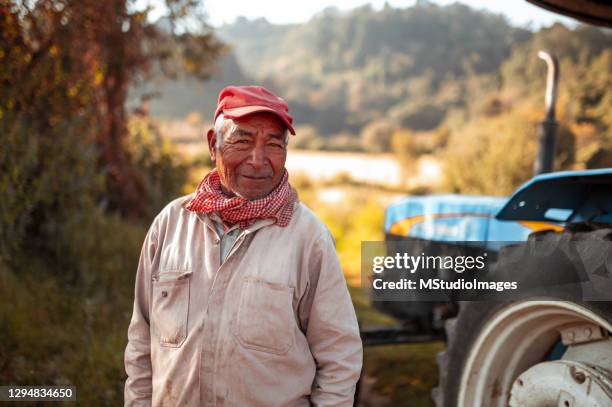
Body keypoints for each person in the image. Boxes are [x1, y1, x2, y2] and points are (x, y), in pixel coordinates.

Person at [124, 85, 363, 406]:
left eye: (273, 144)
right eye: (243, 140)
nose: (258, 159)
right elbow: (141, 342)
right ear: (213, 144)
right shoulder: (170, 224)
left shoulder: (309, 238)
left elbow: (340, 357)